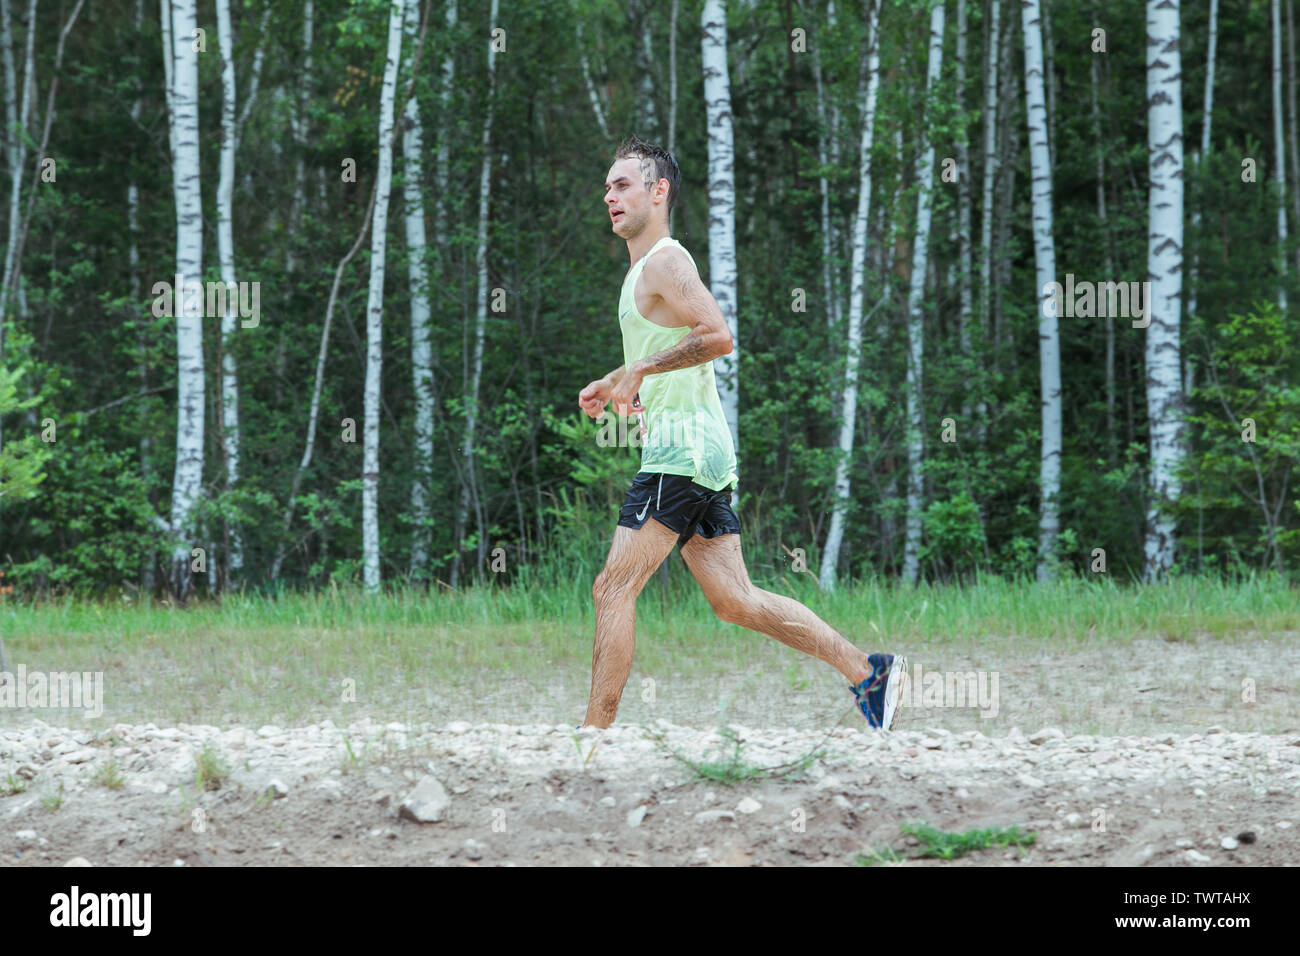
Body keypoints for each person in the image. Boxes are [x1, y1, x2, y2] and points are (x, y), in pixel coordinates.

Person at [577, 135, 905, 731]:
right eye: (606, 186)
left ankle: (592, 744)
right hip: (700, 452)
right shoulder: (640, 272)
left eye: (622, 184)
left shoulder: (665, 260)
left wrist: (643, 371)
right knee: (735, 600)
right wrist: (617, 379)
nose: (609, 196)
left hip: (680, 454)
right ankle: (869, 674)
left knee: (612, 588)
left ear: (659, 190)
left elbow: (719, 336)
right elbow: (670, 348)